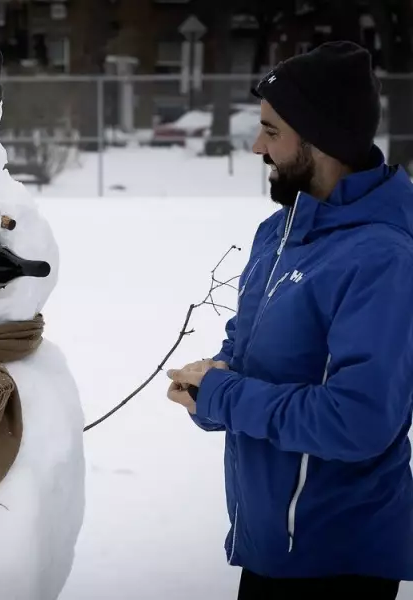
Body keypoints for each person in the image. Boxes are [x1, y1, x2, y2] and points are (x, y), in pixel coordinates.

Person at [165, 41, 413, 600]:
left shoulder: (383, 258)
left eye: (272, 131)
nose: (257, 145)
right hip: (272, 546)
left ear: (320, 139)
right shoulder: (278, 233)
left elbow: (360, 420)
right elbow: (248, 354)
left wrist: (226, 397)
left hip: (337, 559)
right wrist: (211, 383)